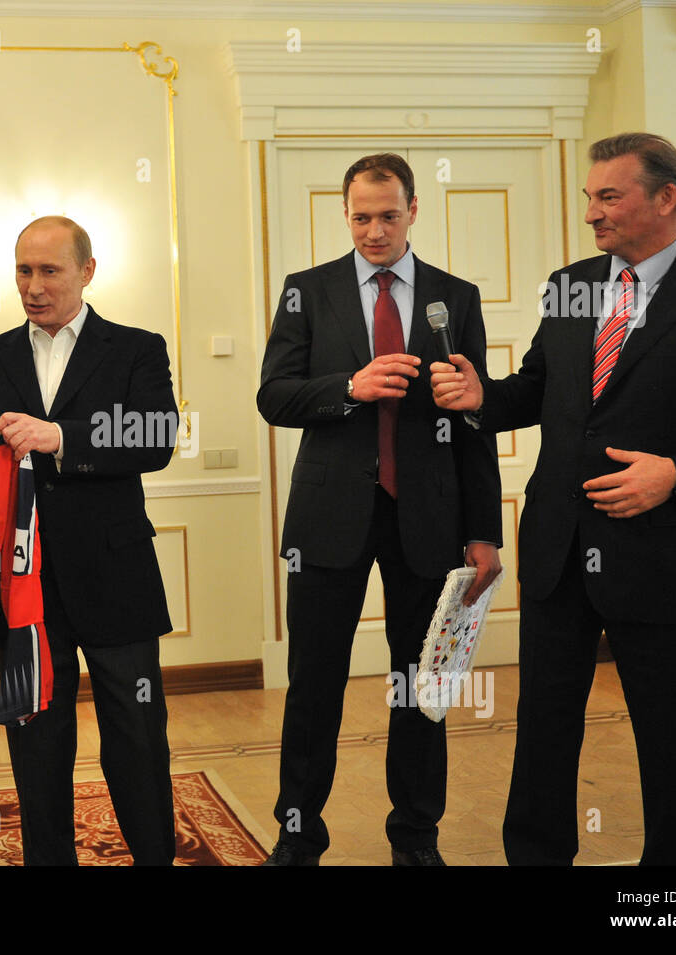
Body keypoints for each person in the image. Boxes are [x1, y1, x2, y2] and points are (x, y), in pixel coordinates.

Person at [430, 132, 676, 865]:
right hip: (559, 550)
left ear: (666, 198)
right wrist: (481, 399)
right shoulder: (570, 284)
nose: (592, 212)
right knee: (543, 732)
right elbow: (541, 390)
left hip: (664, 558)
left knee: (675, 744)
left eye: (609, 196)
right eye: (589, 197)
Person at [258, 153, 503, 866]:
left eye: (388, 215)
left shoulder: (454, 298)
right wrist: (350, 385)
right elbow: (274, 395)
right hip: (329, 521)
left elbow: (474, 419)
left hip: (428, 518)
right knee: (314, 686)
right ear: (345, 213)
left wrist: (483, 532)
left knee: (420, 685)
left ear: (414, 211)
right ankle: (299, 833)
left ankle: (416, 837)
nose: (373, 229)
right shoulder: (307, 291)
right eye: (360, 216)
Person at [0, 215, 178, 865]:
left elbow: (155, 436)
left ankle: (155, 857)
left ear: (87, 272)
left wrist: (61, 438)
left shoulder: (136, 348)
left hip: (117, 579)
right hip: (21, 587)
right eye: (23, 271)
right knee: (37, 738)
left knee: (137, 736)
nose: (33, 286)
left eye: (49, 270)